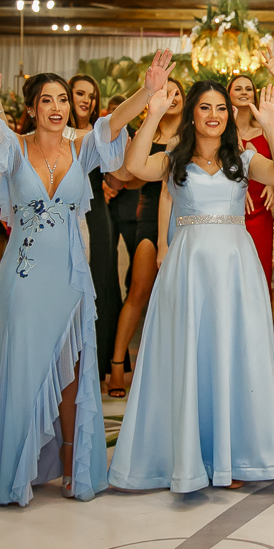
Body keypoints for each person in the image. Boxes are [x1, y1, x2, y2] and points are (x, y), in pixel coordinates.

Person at [0, 50, 170, 506]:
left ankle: (73, 465)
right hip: (24, 276)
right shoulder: (13, 147)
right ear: (32, 108)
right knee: (22, 369)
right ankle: (14, 471)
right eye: (47, 100)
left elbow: (113, 123)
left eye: (63, 100)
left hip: (71, 277)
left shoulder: (81, 147)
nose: (57, 107)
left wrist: (148, 91)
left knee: (72, 371)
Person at [109, 81, 274, 492]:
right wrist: (153, 115)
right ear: (192, 113)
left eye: (221, 108)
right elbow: (134, 166)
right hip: (188, 267)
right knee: (188, 355)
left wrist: (270, 127)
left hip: (235, 268)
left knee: (234, 354)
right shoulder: (173, 159)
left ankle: (235, 457)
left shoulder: (243, 158)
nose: (214, 115)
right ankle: (186, 458)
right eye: (206, 108)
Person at [107, 79, 184, 398]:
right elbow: (126, 176)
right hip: (150, 214)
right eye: (167, 92)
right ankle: (117, 365)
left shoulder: (192, 135)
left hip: (187, 218)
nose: (173, 97)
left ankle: (171, 370)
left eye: (178, 92)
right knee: (138, 290)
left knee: (180, 299)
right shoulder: (147, 133)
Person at [66, 74, 126, 389]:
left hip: (97, 214)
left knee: (101, 286)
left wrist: (120, 149)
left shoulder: (100, 132)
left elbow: (117, 180)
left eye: (91, 95)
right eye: (80, 93)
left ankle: (98, 366)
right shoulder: (55, 132)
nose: (86, 100)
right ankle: (67, 370)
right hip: (63, 215)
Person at [228, 54, 274, 289]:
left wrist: (271, 183)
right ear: (228, 95)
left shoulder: (266, 128)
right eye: (238, 88)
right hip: (230, 210)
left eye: (248, 88)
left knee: (259, 272)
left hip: (260, 209)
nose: (244, 92)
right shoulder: (222, 132)